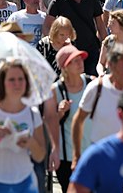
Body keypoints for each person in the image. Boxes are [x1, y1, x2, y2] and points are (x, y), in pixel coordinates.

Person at [0, 60, 46, 193]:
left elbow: (40, 156)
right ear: (2, 83)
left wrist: (30, 143)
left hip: (26, 183)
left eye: (21, 79)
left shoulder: (33, 113)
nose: (17, 84)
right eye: (11, 80)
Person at [71, 43, 123, 164]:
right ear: (111, 65)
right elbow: (78, 120)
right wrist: (77, 155)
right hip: (100, 158)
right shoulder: (96, 88)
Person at [44, 0, 106, 75]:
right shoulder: (58, 0)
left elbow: (100, 25)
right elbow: (47, 26)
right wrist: (55, 47)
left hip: (91, 49)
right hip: (70, 52)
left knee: (93, 83)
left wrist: (105, 46)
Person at [47, 45, 93, 193]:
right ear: (65, 67)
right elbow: (49, 121)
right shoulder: (56, 90)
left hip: (91, 152)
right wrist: (59, 112)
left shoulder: (92, 83)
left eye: (81, 59)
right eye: (75, 60)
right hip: (66, 157)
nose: (81, 62)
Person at [97, 9, 123, 75]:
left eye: (112, 23)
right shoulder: (109, 41)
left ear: (121, 24)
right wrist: (101, 73)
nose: (108, 26)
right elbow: (101, 63)